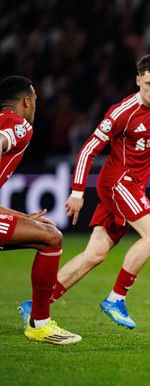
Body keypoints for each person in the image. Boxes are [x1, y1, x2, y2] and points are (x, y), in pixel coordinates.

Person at [18, 54, 150, 329]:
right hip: (118, 182)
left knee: (94, 254)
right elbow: (88, 150)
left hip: (133, 185)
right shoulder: (122, 112)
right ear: (138, 80)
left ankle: (36, 305)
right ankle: (116, 298)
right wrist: (77, 192)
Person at [0, 76, 81, 345]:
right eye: (35, 101)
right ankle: (40, 324)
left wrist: (22, 218)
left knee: (45, 233)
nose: (35, 106)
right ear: (26, 101)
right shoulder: (19, 124)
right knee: (52, 238)